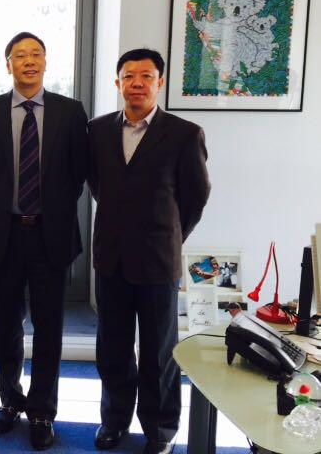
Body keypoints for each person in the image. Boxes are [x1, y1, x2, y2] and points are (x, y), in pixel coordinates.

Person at [88, 48, 210, 454]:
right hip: (111, 258)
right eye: (128, 76)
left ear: (160, 83)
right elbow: (98, 186)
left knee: (159, 352)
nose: (136, 83)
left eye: (145, 76)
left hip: (158, 260)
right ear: (118, 82)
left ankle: (160, 429)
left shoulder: (184, 134)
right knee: (113, 347)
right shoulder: (98, 131)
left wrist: (170, 235)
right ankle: (114, 420)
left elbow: (195, 198)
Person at [0, 32, 88, 450]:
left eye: (36, 54)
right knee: (6, 325)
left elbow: (78, 173)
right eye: (19, 55)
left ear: (45, 62)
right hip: (5, 233)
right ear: (8, 65)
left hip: (49, 234)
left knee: (49, 327)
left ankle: (42, 410)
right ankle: (10, 400)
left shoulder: (70, 111)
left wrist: (51, 209)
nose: (28, 61)